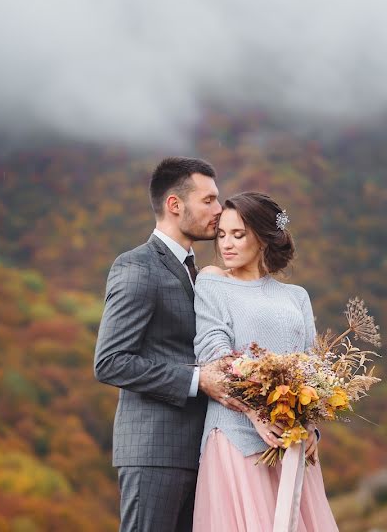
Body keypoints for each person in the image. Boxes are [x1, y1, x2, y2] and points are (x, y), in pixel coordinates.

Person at [94, 157, 245, 532]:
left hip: (204, 452)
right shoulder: (137, 266)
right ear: (175, 205)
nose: (219, 209)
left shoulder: (201, 273)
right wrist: (197, 380)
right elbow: (111, 361)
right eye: (208, 200)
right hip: (154, 453)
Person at [193, 191, 339, 531]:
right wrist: (257, 415)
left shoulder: (296, 296)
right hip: (237, 436)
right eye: (222, 235)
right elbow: (214, 355)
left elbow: (311, 366)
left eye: (238, 235)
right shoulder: (213, 282)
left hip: (292, 442)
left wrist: (310, 426)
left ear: (262, 238)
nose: (226, 244)